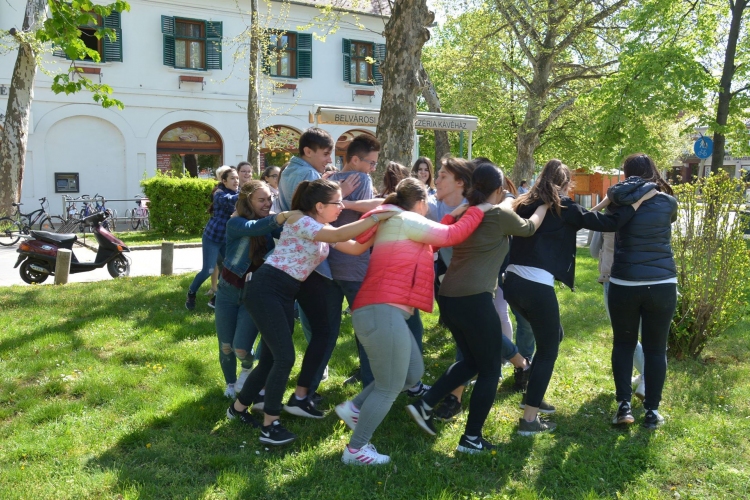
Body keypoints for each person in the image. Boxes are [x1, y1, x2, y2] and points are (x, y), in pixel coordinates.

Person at [227, 179, 395, 446]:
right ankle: (270, 425)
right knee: (284, 359)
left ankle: (236, 410)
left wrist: (384, 225)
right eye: (337, 202)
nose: (341, 207)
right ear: (319, 205)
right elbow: (341, 235)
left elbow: (355, 246)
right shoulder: (301, 222)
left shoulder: (321, 227)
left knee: (271, 359)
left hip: (281, 294)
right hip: (266, 289)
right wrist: (378, 215)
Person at [334, 178, 490, 465]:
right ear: (419, 203)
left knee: (412, 373)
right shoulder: (406, 219)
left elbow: (434, 236)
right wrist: (479, 209)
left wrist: (450, 215)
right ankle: (356, 449)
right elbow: (451, 235)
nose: (429, 207)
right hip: (383, 310)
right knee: (389, 386)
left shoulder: (400, 221)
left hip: (381, 310)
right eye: (427, 203)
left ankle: (355, 407)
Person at [504, 159, 655, 435]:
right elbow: (608, 223)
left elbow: (583, 216)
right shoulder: (564, 205)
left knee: (554, 335)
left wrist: (600, 203)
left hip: (511, 283)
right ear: (564, 184)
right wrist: (635, 203)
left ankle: (532, 396)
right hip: (536, 287)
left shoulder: (526, 202)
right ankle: (528, 421)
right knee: (549, 350)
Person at [406, 162, 547, 453]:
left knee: (470, 361)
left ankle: (425, 403)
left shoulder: (466, 213)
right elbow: (530, 227)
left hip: (448, 296)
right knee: (488, 369)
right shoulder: (496, 215)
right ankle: (471, 439)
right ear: (499, 189)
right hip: (474, 298)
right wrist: (543, 204)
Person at [605, 153, 677, 429]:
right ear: (652, 171)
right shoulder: (668, 201)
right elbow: (666, 223)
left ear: (625, 173)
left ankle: (624, 407)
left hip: (625, 283)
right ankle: (652, 412)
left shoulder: (617, 201)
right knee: (656, 350)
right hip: (662, 284)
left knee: (623, 344)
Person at [215, 181, 295, 398]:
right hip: (227, 292)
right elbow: (253, 228)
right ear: (247, 201)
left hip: (252, 294)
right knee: (225, 346)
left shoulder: (270, 224)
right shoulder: (236, 223)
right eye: (262, 199)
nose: (268, 203)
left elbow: (291, 234)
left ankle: (248, 368)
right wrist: (282, 216)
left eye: (270, 198)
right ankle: (230, 384)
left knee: (240, 348)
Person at [424, 157, 475, 420]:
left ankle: (453, 398)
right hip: (446, 279)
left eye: (442, 175)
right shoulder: (433, 206)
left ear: (460, 182)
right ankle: (521, 363)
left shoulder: (477, 209)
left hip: (477, 283)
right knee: (469, 339)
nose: (436, 180)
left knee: (471, 341)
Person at [589, 226, 645, 402]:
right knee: (651, 336)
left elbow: (592, 250)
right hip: (650, 278)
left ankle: (646, 378)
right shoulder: (651, 210)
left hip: (614, 278)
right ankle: (647, 378)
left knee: (625, 335)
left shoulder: (609, 216)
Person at [186, 167, 239, 310]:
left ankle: (218, 299)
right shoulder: (219, 193)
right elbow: (229, 201)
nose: (236, 181)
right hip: (212, 238)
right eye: (233, 178)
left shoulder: (239, 193)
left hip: (226, 239)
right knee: (208, 270)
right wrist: (248, 194)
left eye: (237, 178)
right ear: (224, 181)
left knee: (228, 270)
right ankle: (191, 293)